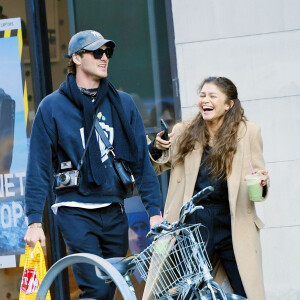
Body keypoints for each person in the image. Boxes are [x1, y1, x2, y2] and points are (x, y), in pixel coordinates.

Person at [24, 30, 162, 300]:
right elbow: (38, 168)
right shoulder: (52, 107)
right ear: (76, 58)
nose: (104, 58)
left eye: (107, 53)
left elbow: (140, 163)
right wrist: (33, 221)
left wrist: (154, 212)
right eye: (96, 52)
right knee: (97, 289)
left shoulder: (123, 103)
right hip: (75, 210)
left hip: (113, 209)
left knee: (109, 289)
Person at [146, 77, 270, 300]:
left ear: (228, 104)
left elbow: (259, 184)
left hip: (233, 221)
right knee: (190, 289)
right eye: (202, 95)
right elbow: (156, 166)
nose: (205, 100)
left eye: (213, 96)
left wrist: (261, 183)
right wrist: (156, 148)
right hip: (194, 222)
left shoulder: (248, 132)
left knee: (245, 290)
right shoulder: (185, 131)